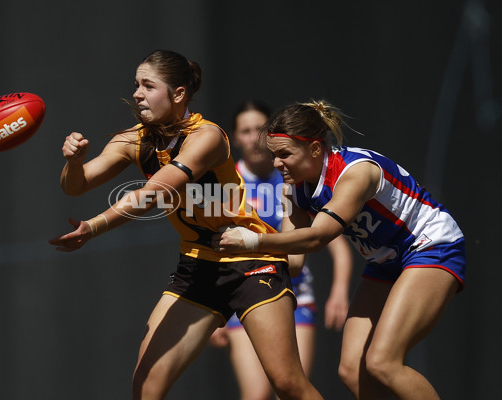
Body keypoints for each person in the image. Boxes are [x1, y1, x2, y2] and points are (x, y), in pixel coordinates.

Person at [48, 51, 323, 400]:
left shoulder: (207, 136)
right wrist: (73, 163)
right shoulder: (133, 140)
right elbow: (76, 186)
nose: (137, 93)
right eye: (136, 84)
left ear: (178, 94)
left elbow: (154, 192)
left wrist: (93, 227)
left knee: (287, 384)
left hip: (251, 264)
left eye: (149, 85)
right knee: (146, 386)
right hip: (197, 266)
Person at [212, 99, 466, 399]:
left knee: (382, 361)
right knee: (351, 370)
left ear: (315, 149)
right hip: (385, 261)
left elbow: (319, 237)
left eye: (284, 155)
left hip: (431, 246)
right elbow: (293, 263)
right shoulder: (293, 188)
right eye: (273, 155)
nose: (277, 163)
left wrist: (254, 241)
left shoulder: (356, 173)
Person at [208, 100, 353, 400]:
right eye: (245, 131)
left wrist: (339, 291)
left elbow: (329, 238)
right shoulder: (225, 184)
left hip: (296, 293)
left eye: (260, 130)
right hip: (242, 296)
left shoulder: (295, 177)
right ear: (235, 138)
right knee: (257, 394)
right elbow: (211, 248)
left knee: (292, 389)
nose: (253, 138)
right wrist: (213, 309)